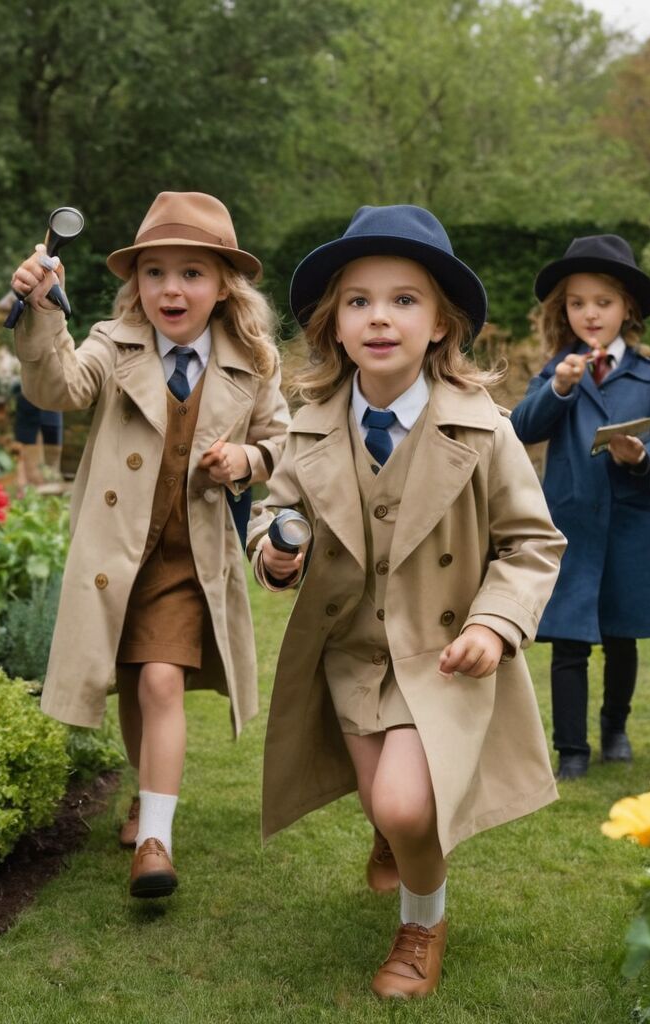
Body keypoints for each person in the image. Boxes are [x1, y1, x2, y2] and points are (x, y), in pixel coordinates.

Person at [247, 205, 564, 999]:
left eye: (404, 300)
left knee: (403, 803)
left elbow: (531, 544)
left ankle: (422, 922)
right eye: (358, 301)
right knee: (382, 801)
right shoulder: (308, 430)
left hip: (442, 657)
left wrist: (494, 624)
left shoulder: (484, 432)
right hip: (350, 655)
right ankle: (397, 833)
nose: (379, 317)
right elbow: (272, 520)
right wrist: (278, 550)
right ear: (333, 326)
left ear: (441, 325)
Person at [10, 192, 289, 897]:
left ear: (224, 283)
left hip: (187, 556)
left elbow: (282, 443)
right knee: (136, 683)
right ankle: (146, 794)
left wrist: (248, 463)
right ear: (136, 283)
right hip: (116, 556)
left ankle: (157, 840)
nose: (172, 288)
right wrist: (44, 313)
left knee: (162, 679)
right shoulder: (110, 342)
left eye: (192, 272)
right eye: (156, 272)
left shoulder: (252, 361)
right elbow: (57, 388)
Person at [510, 235, 650, 780]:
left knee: (620, 635)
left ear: (627, 310)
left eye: (603, 302)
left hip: (630, 524)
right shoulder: (558, 371)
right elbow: (520, 428)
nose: (590, 313)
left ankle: (615, 729)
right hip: (569, 524)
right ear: (563, 310)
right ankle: (571, 750)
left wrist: (641, 457)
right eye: (578, 302)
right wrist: (559, 389)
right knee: (567, 640)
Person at [12, 386, 64, 490]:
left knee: (52, 452)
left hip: (51, 400)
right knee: (26, 449)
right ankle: (30, 485)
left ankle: (50, 484)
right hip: (28, 397)